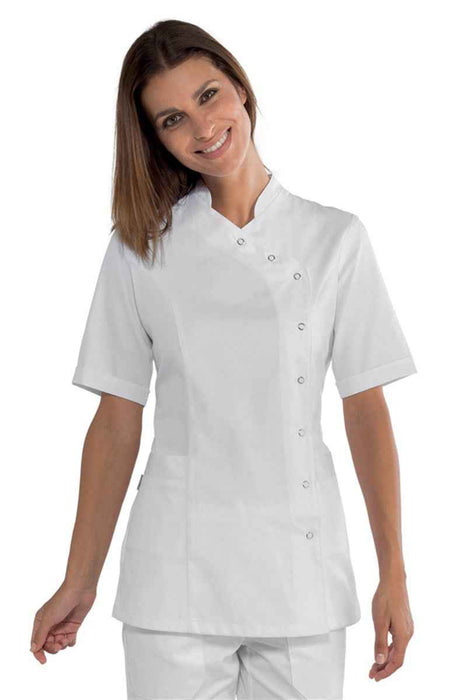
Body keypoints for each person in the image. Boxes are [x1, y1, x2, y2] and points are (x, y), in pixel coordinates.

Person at [30, 19, 417, 700]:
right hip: (174, 580)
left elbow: (365, 409)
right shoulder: (140, 247)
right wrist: (79, 579)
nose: (202, 127)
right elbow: (117, 420)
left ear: (240, 87)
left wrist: (395, 573)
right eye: (172, 119)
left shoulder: (334, 238)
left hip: (301, 579)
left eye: (208, 95)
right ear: (155, 138)